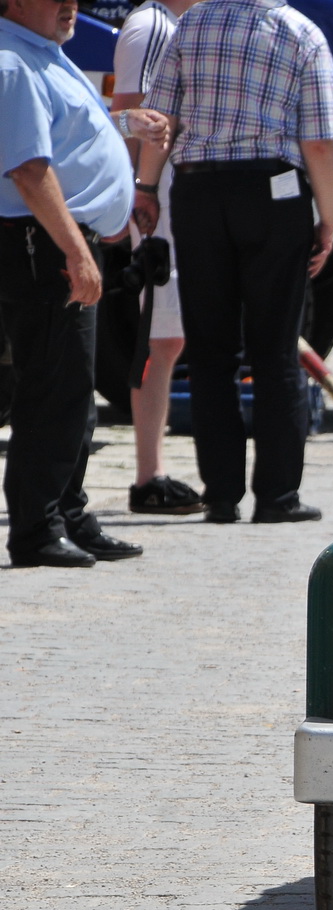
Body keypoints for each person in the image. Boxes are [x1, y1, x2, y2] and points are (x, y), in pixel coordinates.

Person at [137, 0, 333, 525]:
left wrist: (147, 185)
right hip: (272, 192)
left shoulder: (191, 23)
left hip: (197, 191)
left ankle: (220, 495)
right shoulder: (300, 32)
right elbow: (319, 144)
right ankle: (278, 497)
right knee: (275, 350)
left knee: (210, 351)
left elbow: (160, 120)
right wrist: (329, 219)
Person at [1, 0, 166, 567]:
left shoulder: (39, 52)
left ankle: (67, 515)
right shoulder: (14, 62)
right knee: (54, 391)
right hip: (43, 245)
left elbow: (65, 131)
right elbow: (29, 168)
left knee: (74, 391)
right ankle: (36, 531)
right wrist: (76, 251)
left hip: (60, 241)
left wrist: (123, 125)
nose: (72, 3)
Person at [112, 0, 203, 515]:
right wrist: (135, 198)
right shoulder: (151, 25)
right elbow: (131, 116)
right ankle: (148, 475)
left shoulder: (176, 23)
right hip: (155, 200)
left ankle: (153, 470)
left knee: (169, 337)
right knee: (159, 336)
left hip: (166, 196)